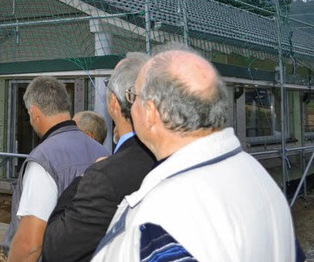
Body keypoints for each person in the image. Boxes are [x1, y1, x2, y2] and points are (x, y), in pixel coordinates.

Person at [92, 48, 300, 261]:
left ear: (151, 113)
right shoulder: (258, 177)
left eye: (132, 96)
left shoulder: (165, 215)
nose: (131, 105)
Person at [42, 53, 156, 262]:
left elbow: (55, 250)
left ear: (113, 102)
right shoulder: (174, 157)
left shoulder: (103, 177)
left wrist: (84, 178)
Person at [2, 76, 109, 261]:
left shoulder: (43, 159)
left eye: (28, 114)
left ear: (34, 112)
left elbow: (30, 246)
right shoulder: (102, 152)